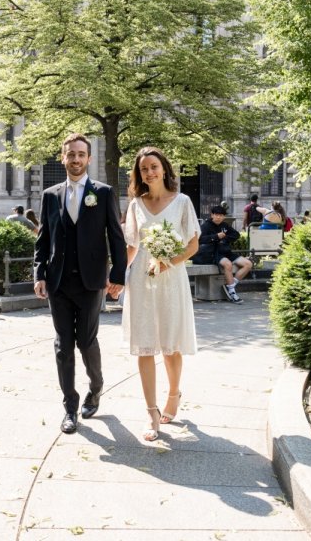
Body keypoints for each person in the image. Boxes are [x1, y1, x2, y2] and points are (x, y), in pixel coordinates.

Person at [34, 133, 127, 435]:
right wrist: (39, 274)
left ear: (89, 158)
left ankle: (96, 387)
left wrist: (117, 276)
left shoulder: (103, 192)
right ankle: (70, 408)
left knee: (86, 341)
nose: (75, 159)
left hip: (90, 282)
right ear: (62, 157)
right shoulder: (50, 195)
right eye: (70, 154)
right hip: (58, 282)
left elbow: (116, 237)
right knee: (63, 345)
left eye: (80, 154)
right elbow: (43, 239)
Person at [123, 146, 201, 442]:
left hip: (171, 277)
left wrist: (168, 262)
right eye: (144, 169)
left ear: (164, 169)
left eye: (154, 166)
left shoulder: (182, 202)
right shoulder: (135, 205)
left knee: (170, 346)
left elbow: (192, 245)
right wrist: (117, 276)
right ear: (139, 174)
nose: (150, 172)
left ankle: (173, 393)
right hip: (142, 279)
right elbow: (132, 246)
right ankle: (151, 411)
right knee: (144, 345)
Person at [193, 205, 252, 304]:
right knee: (227, 264)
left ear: (224, 216)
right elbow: (199, 239)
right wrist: (215, 236)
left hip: (226, 251)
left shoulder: (225, 225)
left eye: (221, 215)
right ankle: (232, 293)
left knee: (248, 264)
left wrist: (224, 239)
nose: (218, 217)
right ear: (212, 215)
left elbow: (236, 235)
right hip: (213, 253)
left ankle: (231, 285)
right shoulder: (206, 226)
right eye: (216, 215)